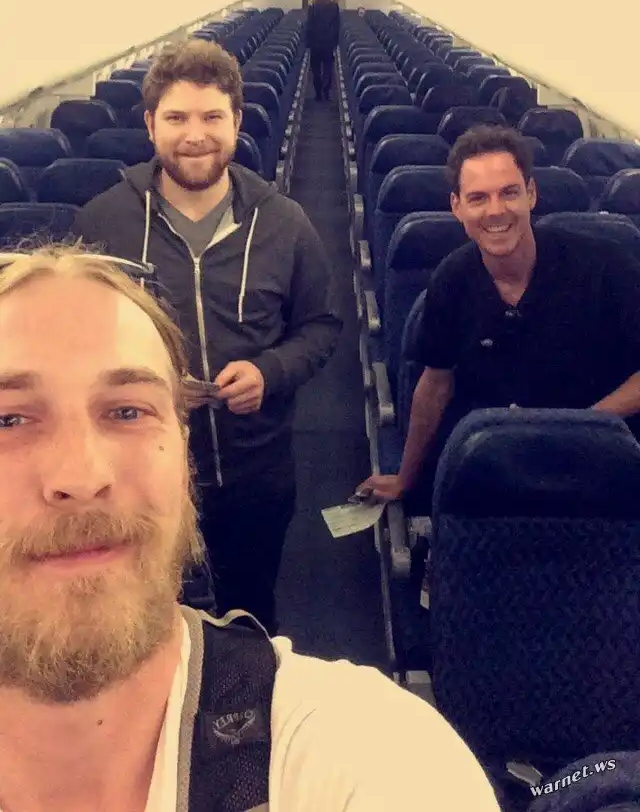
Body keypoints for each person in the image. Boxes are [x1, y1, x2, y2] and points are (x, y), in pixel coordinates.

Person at [0, 245, 500, 811]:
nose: (82, 476)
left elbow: (319, 326)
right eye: (8, 419)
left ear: (181, 451)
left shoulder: (371, 755)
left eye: (127, 411)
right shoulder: (109, 214)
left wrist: (271, 370)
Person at [74, 40, 342, 634]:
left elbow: (321, 327)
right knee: (143, 620)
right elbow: (78, 344)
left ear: (237, 122)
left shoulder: (283, 223)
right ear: (150, 125)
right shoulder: (103, 224)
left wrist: (269, 372)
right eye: (177, 118)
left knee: (250, 615)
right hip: (138, 474)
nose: (195, 136)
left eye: (211, 117)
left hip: (254, 472)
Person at [359, 124, 640, 512]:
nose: (495, 210)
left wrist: (582, 426)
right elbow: (435, 384)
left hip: (597, 465)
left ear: (531, 194)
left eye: (509, 192)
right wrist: (405, 477)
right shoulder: (451, 282)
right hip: (498, 466)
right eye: (478, 198)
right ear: (457, 207)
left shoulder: (606, 267)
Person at [305, 0, 340, 101]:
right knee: (328, 68)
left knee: (316, 70)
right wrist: (335, 42)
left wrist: (308, 43)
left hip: (315, 43)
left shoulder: (313, 7)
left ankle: (318, 93)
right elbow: (336, 26)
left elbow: (309, 26)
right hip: (328, 43)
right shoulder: (334, 7)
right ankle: (326, 91)